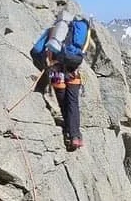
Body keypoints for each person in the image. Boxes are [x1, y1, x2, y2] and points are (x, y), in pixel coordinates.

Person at [30, 9, 92, 151]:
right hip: (74, 70)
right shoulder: (81, 32)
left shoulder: (52, 31)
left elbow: (37, 50)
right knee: (73, 102)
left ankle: (69, 132)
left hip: (55, 70)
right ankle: (76, 135)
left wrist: (44, 63)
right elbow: (84, 50)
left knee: (63, 101)